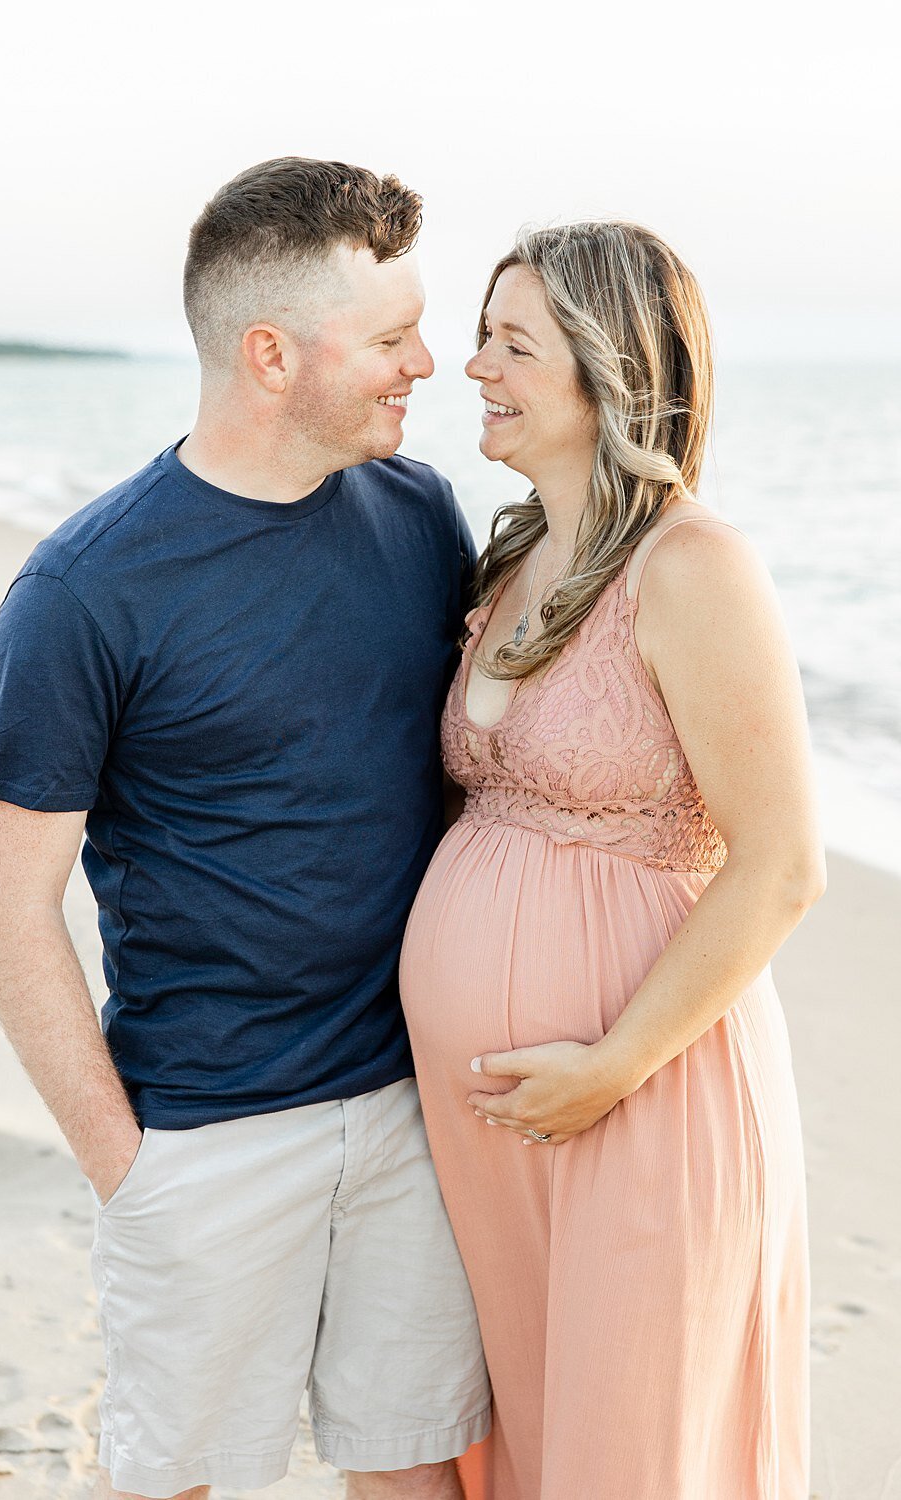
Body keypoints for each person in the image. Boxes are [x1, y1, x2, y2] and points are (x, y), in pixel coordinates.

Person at [0, 157, 490, 1500]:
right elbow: (8, 904)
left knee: (417, 1464)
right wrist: (123, 1167)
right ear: (270, 354)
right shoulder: (84, 591)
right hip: (206, 1133)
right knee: (177, 1480)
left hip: (408, 1112)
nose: (427, 362)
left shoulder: (420, 517)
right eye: (388, 337)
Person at [400, 221, 825, 1500]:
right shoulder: (516, 554)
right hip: (500, 1128)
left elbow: (782, 863)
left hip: (645, 1098)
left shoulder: (693, 569)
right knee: (533, 1447)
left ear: (610, 372)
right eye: (483, 336)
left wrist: (610, 1065)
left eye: (512, 344)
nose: (473, 367)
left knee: (634, 1454)